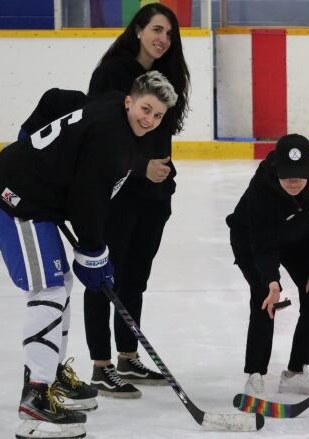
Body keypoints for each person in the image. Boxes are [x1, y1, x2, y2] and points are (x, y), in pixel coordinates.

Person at [0, 71, 178, 439]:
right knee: (49, 291)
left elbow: (60, 100)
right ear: (129, 101)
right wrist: (94, 251)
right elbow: (88, 201)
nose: (149, 120)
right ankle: (35, 397)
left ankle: (52, 377)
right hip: (14, 199)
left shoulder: (115, 117)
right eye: (146, 109)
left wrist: (94, 251)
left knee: (62, 284)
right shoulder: (112, 139)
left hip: (35, 199)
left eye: (158, 116)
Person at [83, 2, 191, 399]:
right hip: (116, 194)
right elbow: (97, 133)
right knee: (103, 279)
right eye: (156, 30)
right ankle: (101, 366)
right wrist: (140, 166)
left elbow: (162, 133)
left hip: (153, 195)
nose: (163, 39)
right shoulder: (113, 72)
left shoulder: (168, 74)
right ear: (139, 29)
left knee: (135, 278)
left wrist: (161, 181)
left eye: (169, 33)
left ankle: (128, 355)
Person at [226, 134, 309, 396]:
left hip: (297, 236)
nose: (293, 181)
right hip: (251, 238)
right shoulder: (262, 187)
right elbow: (262, 242)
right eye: (287, 174)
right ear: (277, 167)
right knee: (265, 298)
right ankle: (255, 374)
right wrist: (271, 280)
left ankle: (296, 372)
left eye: (299, 174)